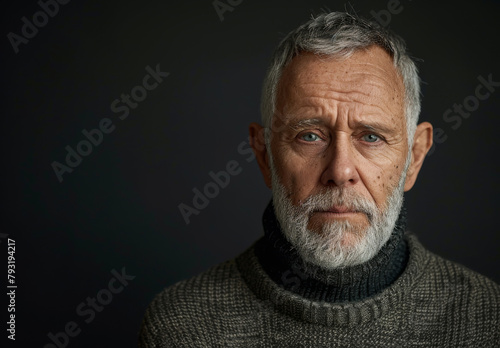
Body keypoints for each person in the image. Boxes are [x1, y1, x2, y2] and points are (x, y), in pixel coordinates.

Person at [138, 11, 500, 347]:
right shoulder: (182, 328)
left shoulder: (485, 320)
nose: (340, 172)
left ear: (414, 157)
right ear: (264, 155)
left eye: (370, 137)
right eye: (310, 136)